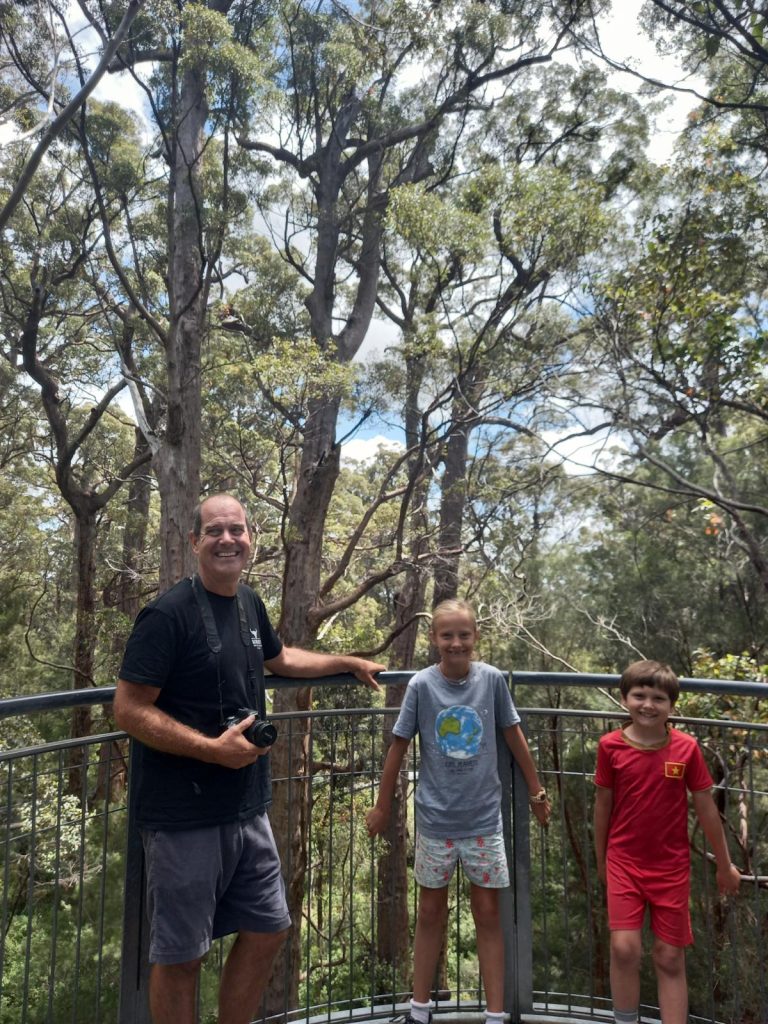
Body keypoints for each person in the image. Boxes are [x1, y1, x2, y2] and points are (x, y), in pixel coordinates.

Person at [114, 494, 385, 1024]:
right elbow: (128, 708)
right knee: (183, 955)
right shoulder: (166, 614)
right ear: (194, 542)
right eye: (214, 531)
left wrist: (346, 661)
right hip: (182, 814)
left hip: (247, 806)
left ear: (250, 540)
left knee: (269, 927)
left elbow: (279, 659)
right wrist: (210, 749)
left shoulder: (248, 603)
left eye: (236, 529)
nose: (227, 539)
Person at [365, 599, 550, 1024]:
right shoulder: (421, 687)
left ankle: (497, 1014)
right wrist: (381, 805)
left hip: (484, 820)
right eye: (446, 635)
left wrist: (537, 791)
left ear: (475, 637)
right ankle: (419, 1009)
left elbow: (513, 733)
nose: (455, 642)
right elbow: (398, 745)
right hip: (436, 821)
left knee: (488, 913)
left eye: (463, 634)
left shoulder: (491, 681)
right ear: (434, 640)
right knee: (430, 912)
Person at [594, 660, 741, 1024]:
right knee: (624, 948)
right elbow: (602, 806)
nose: (647, 704)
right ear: (625, 698)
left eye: (658, 698)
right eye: (639, 695)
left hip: (670, 867)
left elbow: (706, 809)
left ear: (671, 706)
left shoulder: (686, 749)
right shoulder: (610, 746)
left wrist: (725, 865)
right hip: (623, 861)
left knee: (669, 956)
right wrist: (602, 859)